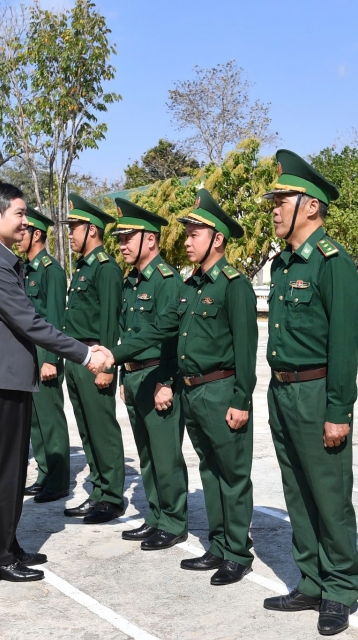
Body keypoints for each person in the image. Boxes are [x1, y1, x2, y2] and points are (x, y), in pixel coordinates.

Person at [0, 180, 113, 583]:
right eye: (19, 213)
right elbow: (29, 322)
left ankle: (6, 546)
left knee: (9, 469)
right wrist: (84, 353)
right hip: (0, 382)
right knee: (4, 470)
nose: (25, 221)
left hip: (7, 379)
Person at [107, 189, 257, 585]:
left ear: (217, 239)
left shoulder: (232, 285)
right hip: (194, 392)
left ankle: (238, 552)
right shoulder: (192, 287)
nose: (186, 241)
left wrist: (242, 399)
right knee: (210, 470)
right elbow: (162, 331)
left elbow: (246, 350)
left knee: (233, 475)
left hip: (223, 390)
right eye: (186, 234)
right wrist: (117, 354)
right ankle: (220, 545)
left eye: (194, 234)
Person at [258, 150, 358, 637]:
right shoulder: (283, 264)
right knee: (297, 490)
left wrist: (338, 409)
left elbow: (345, 345)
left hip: (318, 391)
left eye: (283, 199)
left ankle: (341, 587)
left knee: (328, 493)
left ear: (312, 206)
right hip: (281, 392)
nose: (275, 208)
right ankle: (311, 579)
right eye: (274, 200)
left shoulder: (332, 264)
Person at [110, 198, 189, 551]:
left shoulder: (166, 280)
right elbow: (129, 333)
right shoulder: (132, 282)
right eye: (121, 238)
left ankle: (174, 521)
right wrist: (126, 375)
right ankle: (156, 515)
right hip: (135, 376)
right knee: (146, 452)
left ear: (151, 240)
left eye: (129, 237)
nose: (122, 244)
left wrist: (167, 382)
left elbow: (173, 338)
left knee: (165, 453)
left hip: (158, 375)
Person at [61, 193, 126, 524]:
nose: (70, 234)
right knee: (87, 428)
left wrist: (106, 369)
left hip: (95, 360)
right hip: (76, 358)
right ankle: (99, 491)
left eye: (74, 227)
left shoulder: (106, 269)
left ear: (92, 230)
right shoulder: (85, 268)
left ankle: (112, 496)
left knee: (102, 427)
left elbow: (110, 324)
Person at [18, 206, 72, 504]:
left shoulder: (51, 270)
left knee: (51, 419)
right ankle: (44, 473)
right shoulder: (25, 268)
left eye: (24, 231)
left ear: (37, 234)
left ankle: (59, 479)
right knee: (36, 421)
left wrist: (51, 358)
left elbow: (53, 317)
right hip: (27, 356)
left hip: (44, 357)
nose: (18, 236)